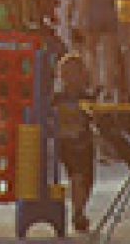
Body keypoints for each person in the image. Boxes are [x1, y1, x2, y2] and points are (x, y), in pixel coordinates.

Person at [52, 51, 95, 233]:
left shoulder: (88, 98)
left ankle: (80, 209)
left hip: (85, 143)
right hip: (67, 144)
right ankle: (78, 213)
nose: (71, 78)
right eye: (67, 73)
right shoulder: (57, 98)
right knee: (77, 177)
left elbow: (95, 120)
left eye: (75, 73)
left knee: (88, 180)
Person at [79, 0, 124, 100]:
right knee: (109, 54)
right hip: (110, 15)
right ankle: (109, 87)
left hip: (94, 15)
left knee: (91, 52)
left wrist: (81, 16)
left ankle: (95, 83)